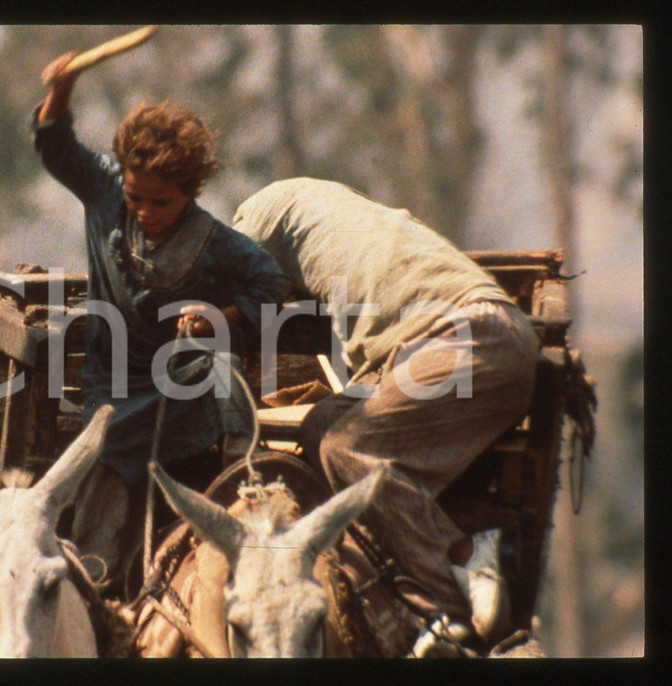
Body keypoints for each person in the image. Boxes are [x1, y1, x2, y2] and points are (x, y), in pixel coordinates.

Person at [232, 177, 540, 652]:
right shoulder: (337, 215)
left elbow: (247, 284)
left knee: (347, 445)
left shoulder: (258, 218)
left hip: (471, 339)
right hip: (489, 338)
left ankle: (450, 592)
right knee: (324, 425)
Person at [31, 52, 289, 593]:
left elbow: (269, 283)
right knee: (97, 479)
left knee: (220, 371)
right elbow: (55, 146)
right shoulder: (104, 193)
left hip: (181, 392)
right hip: (112, 387)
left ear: (190, 191)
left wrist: (219, 317)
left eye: (161, 202)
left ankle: (239, 514)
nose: (144, 210)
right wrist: (63, 88)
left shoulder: (218, 244)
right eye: (135, 196)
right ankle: (95, 587)